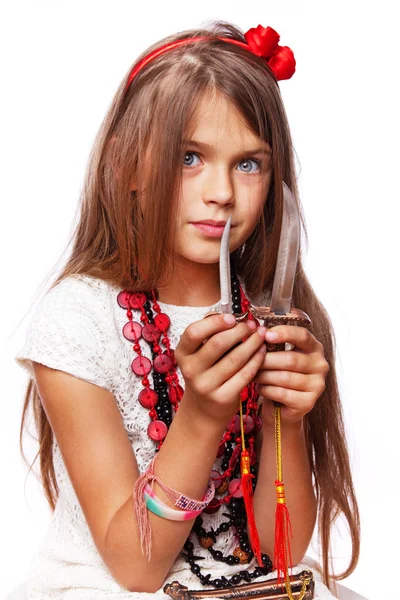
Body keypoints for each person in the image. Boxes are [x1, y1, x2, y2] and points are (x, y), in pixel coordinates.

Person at [15, 20, 360, 600]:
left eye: (248, 164)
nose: (221, 191)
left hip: (245, 586)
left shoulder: (276, 320)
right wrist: (201, 415)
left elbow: (283, 552)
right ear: (128, 164)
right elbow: (136, 570)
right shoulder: (77, 322)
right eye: (190, 157)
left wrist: (287, 416)